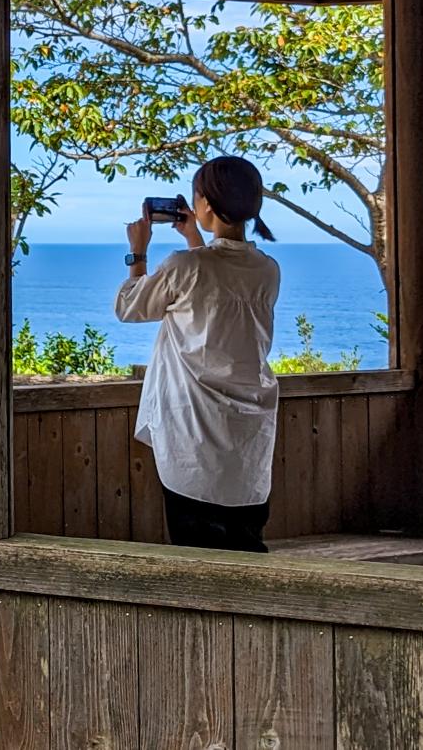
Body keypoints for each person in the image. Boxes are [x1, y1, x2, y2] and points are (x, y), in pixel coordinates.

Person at [116, 156, 280, 552]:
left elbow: (130, 307)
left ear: (205, 203)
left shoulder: (183, 266)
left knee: (198, 554)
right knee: (246, 546)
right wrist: (195, 239)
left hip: (193, 432)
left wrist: (138, 254)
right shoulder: (267, 269)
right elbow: (216, 283)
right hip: (248, 434)